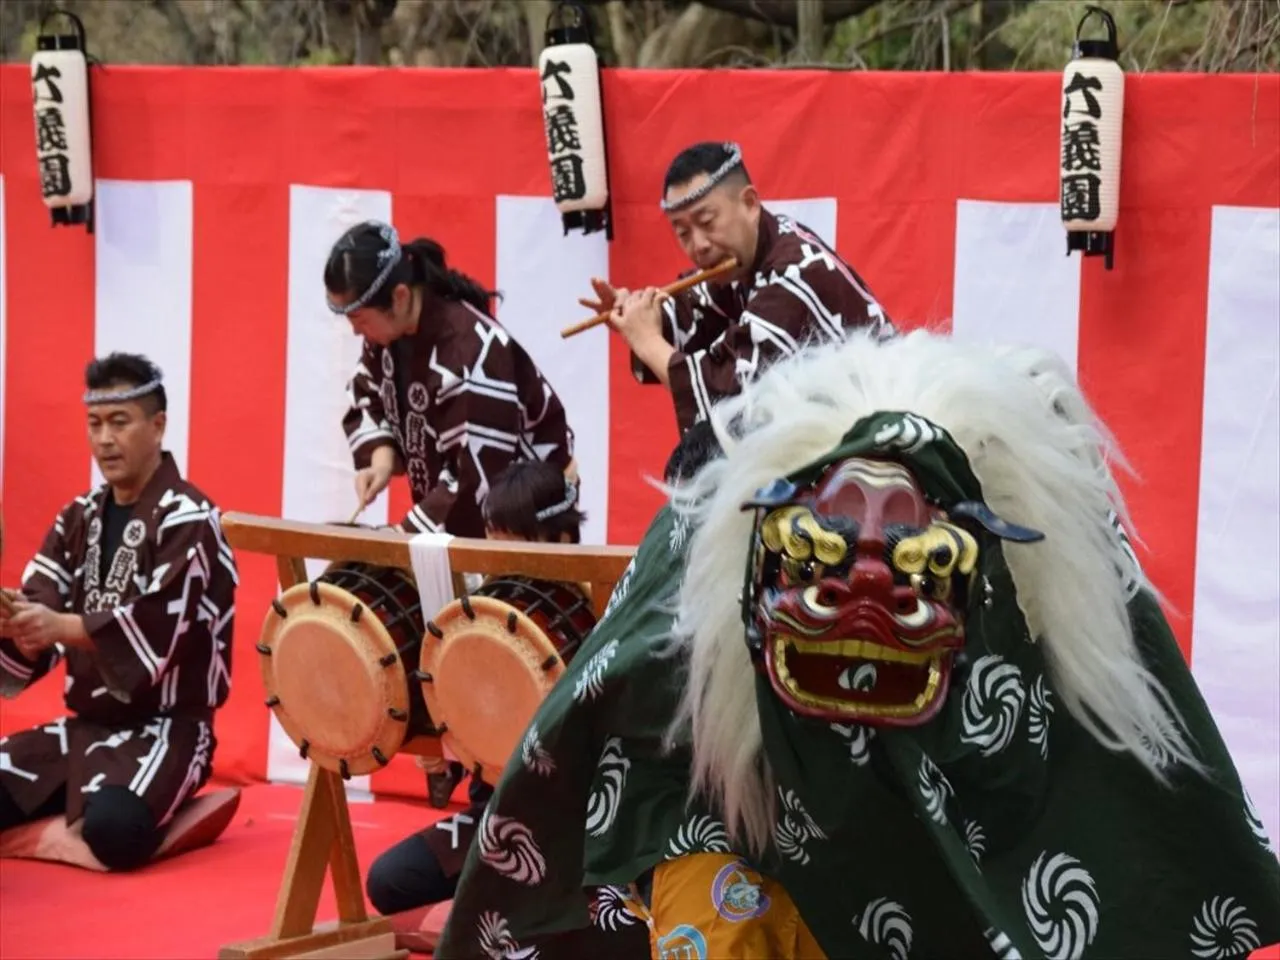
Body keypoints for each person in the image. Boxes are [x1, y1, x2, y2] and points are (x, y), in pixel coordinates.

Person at [435, 329, 1280, 959]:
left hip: (948, 827)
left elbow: (1140, 802)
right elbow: (590, 730)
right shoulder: (697, 578)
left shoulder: (1037, 605)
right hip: (745, 824)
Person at [0, 353, 238, 872]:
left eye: (119, 422)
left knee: (115, 832)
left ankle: (163, 817)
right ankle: (64, 833)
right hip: (85, 728)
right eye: (95, 424)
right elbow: (41, 604)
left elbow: (158, 629)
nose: (104, 439)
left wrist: (60, 626)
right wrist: (18, 625)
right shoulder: (78, 516)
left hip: (168, 728)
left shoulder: (191, 518)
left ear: (157, 426)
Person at [365, 458, 587, 929]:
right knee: (390, 881)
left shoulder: (596, 610)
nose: (499, 560)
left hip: (576, 822)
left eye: (515, 545)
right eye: (493, 543)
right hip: (497, 813)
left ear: (564, 538)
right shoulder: (477, 614)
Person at [582, 140, 895, 434]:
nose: (699, 246)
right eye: (683, 233)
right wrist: (635, 317)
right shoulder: (751, 253)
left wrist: (647, 340)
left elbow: (729, 395)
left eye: (706, 222)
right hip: (839, 436)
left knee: (706, 456)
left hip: (878, 441)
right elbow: (695, 307)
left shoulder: (794, 273)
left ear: (749, 203)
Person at [327, 220, 577, 537]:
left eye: (359, 318)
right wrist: (381, 462)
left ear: (400, 296)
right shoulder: (387, 338)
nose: (355, 330)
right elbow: (367, 393)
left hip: (523, 526)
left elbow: (476, 481)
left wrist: (398, 539)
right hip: (457, 520)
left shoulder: (470, 354)